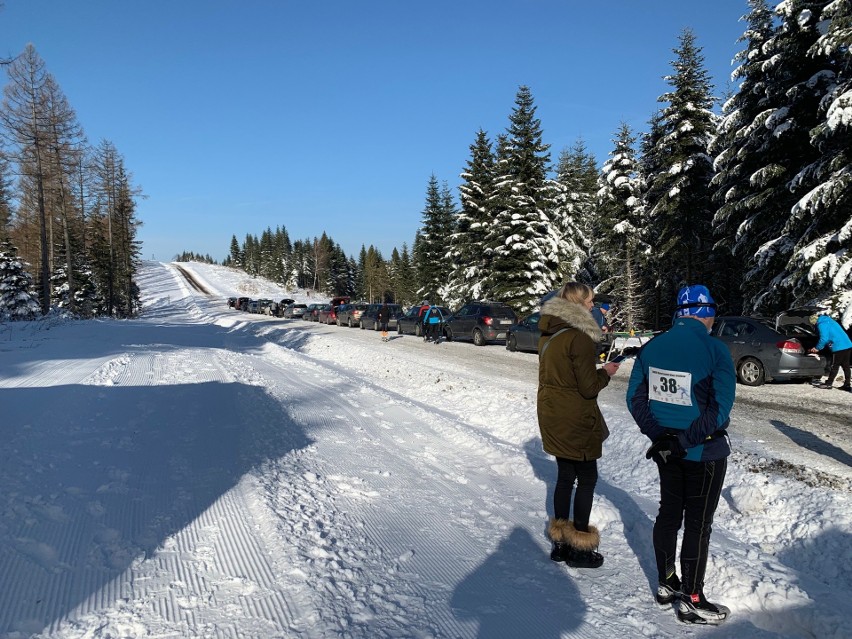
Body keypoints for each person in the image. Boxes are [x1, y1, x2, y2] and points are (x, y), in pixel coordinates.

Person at [626, 284, 735, 625]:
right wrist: (684, 441)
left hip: (667, 450)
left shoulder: (653, 346)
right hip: (702, 451)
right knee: (698, 525)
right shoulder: (715, 349)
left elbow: (635, 399)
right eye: (713, 312)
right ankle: (692, 598)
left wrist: (660, 437)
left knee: (669, 514)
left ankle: (665, 582)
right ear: (706, 313)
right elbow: (718, 410)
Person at [537, 282, 620, 569]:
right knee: (586, 479)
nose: (593, 306)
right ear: (577, 304)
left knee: (563, 477)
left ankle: (560, 542)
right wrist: (606, 373)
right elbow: (588, 388)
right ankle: (580, 547)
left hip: (552, 415)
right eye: (589, 302)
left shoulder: (548, 334)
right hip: (576, 419)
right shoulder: (580, 338)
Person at [809, 314, 852, 390]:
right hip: (847, 344)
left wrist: (817, 348)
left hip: (839, 346)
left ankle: (829, 384)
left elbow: (824, 338)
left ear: (814, 322)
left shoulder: (821, 324)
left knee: (835, 365)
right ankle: (847, 384)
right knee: (846, 365)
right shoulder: (829, 320)